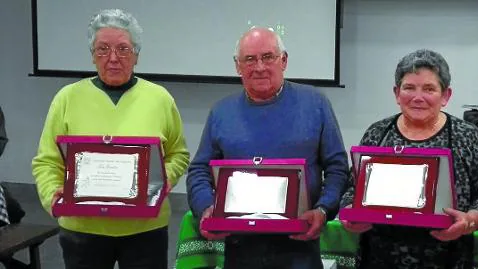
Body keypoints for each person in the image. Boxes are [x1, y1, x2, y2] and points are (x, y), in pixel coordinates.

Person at [31, 9, 190, 269]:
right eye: (103, 49)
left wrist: (164, 180)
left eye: (123, 49)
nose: (113, 58)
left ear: (136, 55)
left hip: (145, 228)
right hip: (82, 229)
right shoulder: (67, 98)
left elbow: (178, 153)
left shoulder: (160, 98)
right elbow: (46, 161)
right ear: (93, 56)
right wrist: (53, 197)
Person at [186, 27, 349, 269]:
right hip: (239, 246)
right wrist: (206, 208)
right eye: (250, 59)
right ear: (237, 66)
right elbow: (199, 169)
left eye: (268, 57)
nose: (259, 67)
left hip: (299, 246)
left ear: (283, 60)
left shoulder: (316, 104)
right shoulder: (221, 111)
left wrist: (324, 210)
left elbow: (337, 168)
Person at [340, 49, 478, 269]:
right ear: (396, 93)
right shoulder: (377, 134)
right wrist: (349, 214)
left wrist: (469, 221)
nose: (418, 97)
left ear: (446, 96)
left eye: (429, 89)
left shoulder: (467, 136)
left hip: (448, 258)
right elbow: (352, 188)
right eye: (409, 88)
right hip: (379, 258)